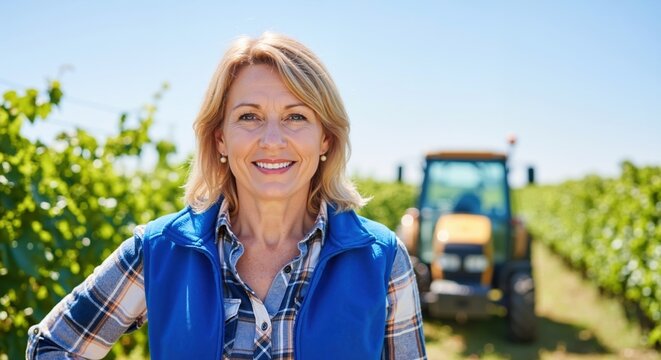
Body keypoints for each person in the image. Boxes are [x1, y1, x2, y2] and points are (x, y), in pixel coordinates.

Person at [26, 32, 427, 360]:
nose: (272, 140)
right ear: (220, 138)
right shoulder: (160, 251)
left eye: (296, 117)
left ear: (326, 138)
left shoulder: (382, 260)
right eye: (249, 117)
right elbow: (52, 347)